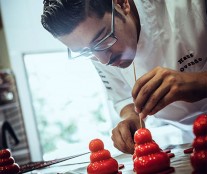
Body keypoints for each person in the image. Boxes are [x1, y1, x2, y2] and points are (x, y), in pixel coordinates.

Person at [41, 0, 207, 154]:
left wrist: (200, 83)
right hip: (193, 138)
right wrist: (131, 117)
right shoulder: (99, 53)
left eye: (102, 40)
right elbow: (124, 100)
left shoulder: (191, 5)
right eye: (85, 52)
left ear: (122, 3)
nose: (103, 61)